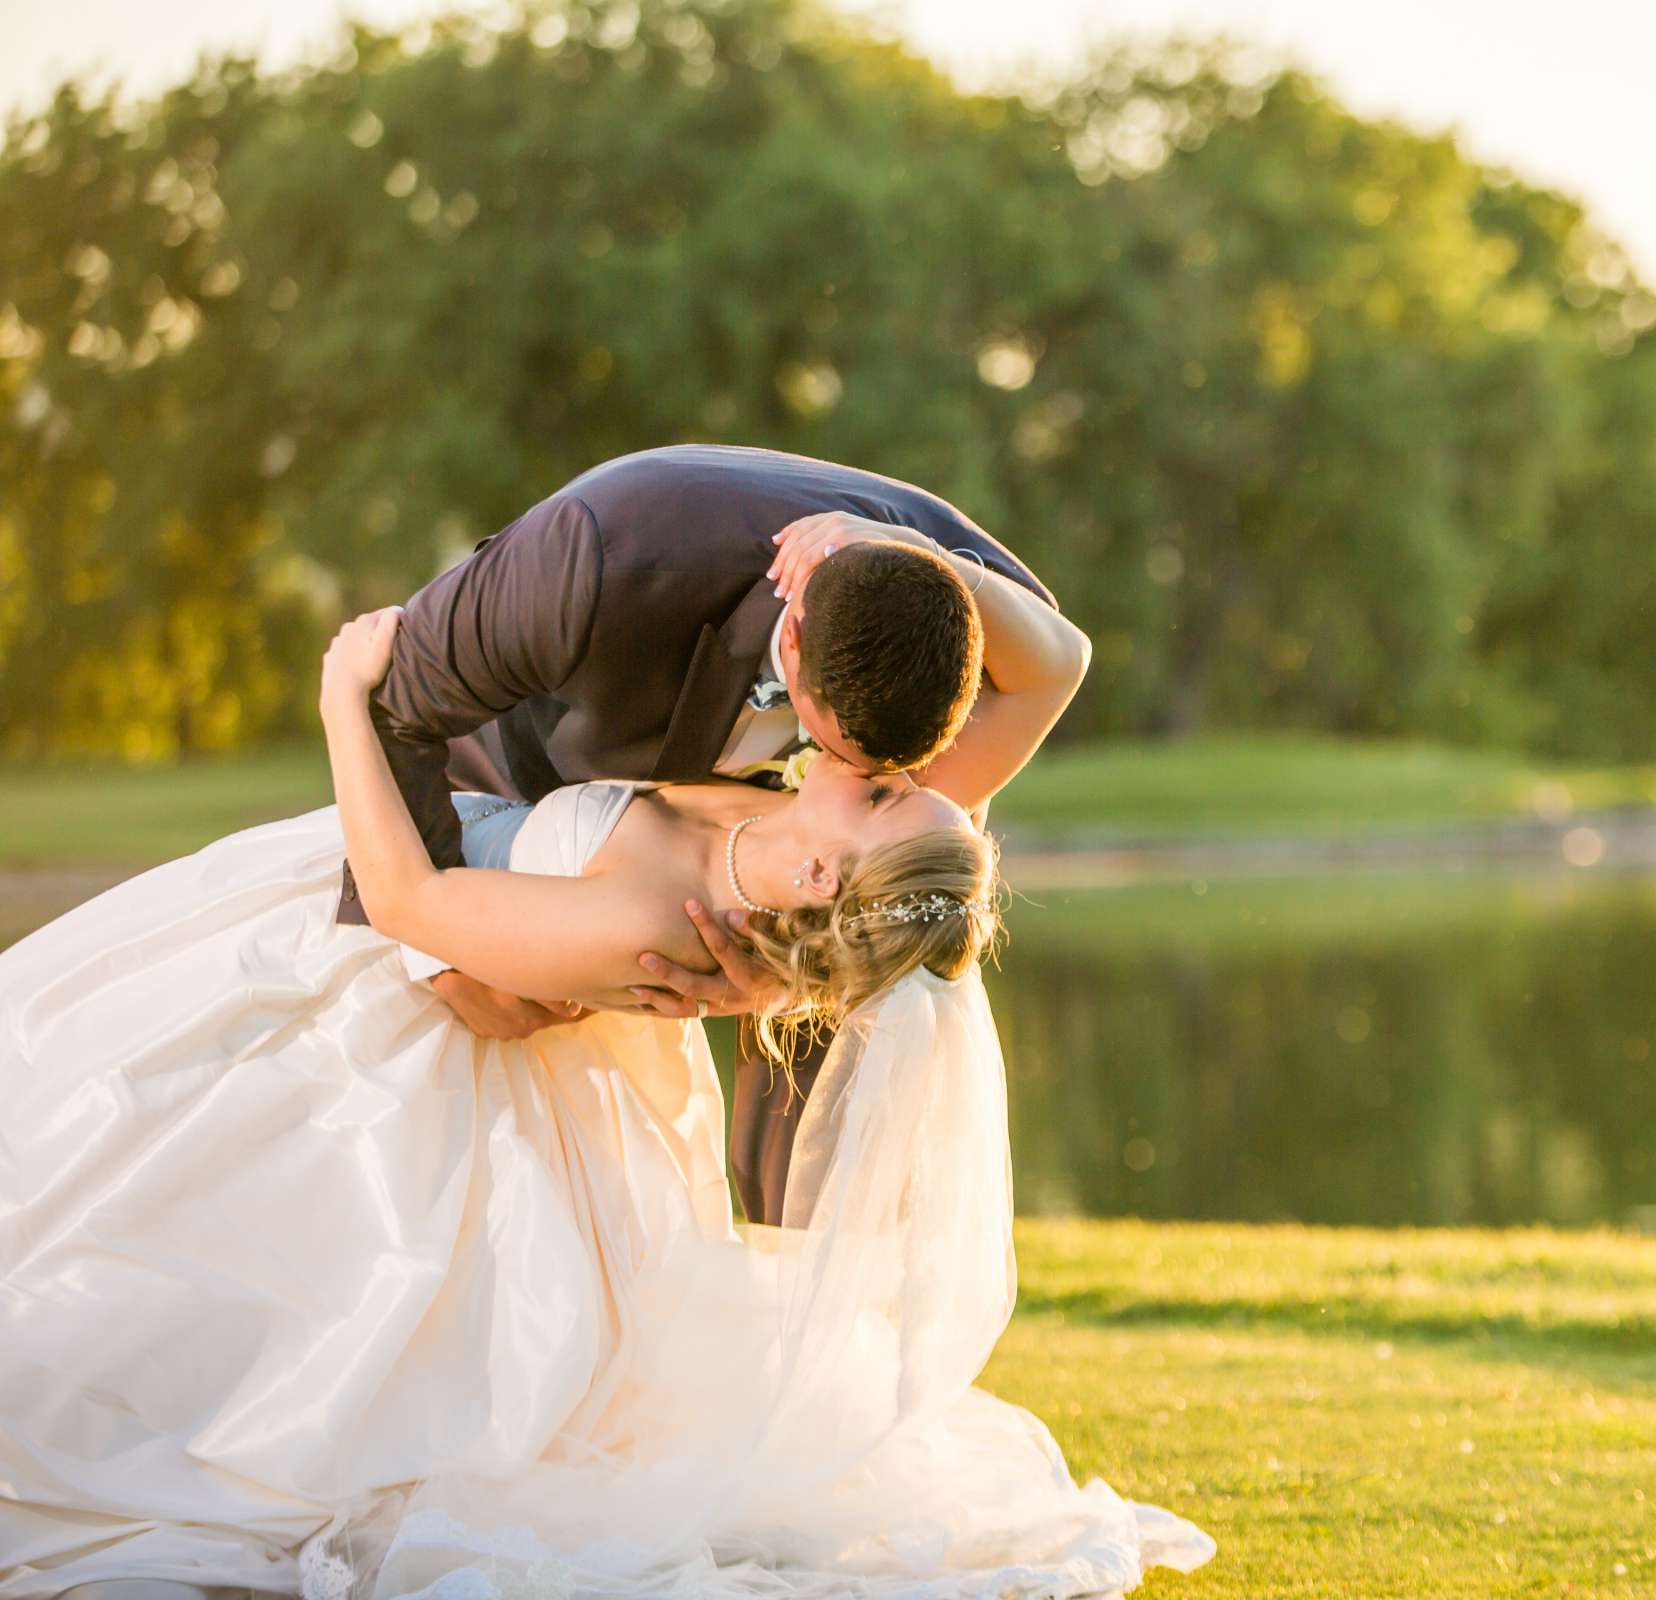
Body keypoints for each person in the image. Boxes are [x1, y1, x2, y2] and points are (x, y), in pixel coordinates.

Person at [0, 584, 1214, 1592]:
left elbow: (410, 903)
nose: (895, 762)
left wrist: (342, 698)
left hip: (407, 999)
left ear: (823, 868)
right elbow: (1052, 665)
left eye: (892, 793)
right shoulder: (805, 841)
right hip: (396, 917)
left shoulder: (655, 927)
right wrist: (871, 553)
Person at [344, 443, 1070, 1224]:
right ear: (792, 647)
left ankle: (796, 1258)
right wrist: (443, 963)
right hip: (494, 793)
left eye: (901, 776)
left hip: (722, 879)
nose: (885, 775)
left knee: (794, 1155)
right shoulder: (599, 560)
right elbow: (396, 706)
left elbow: (1059, 665)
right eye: (865, 766)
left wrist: (794, 968)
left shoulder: (964, 627)